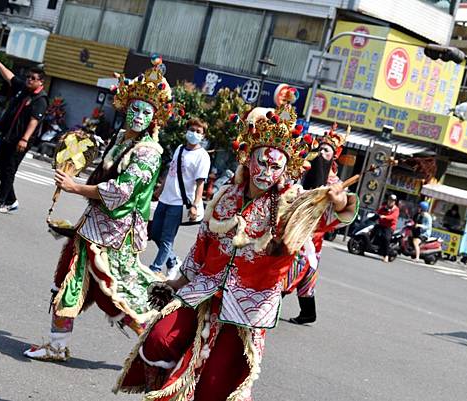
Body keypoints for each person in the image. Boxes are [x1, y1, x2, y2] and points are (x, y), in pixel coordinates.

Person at [113, 103, 358, 400]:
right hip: (205, 289)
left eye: (275, 166)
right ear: (247, 158)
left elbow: (330, 216)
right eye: (262, 163)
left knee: (214, 383)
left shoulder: (290, 202)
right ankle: (158, 391)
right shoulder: (227, 195)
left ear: (285, 170)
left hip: (248, 305)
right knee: (159, 340)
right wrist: (176, 283)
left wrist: (342, 202)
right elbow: (201, 244)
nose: (266, 172)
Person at [23, 58, 174, 362]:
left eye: (146, 111)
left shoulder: (148, 152)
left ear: (154, 118)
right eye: (134, 107)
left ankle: (162, 347)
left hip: (115, 234)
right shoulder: (121, 139)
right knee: (67, 280)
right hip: (92, 226)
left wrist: (75, 187)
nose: (138, 115)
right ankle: (57, 344)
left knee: (115, 296)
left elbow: (121, 193)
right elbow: (105, 177)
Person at [284, 123, 352, 325]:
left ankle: (272, 301)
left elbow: (342, 208)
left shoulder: (335, 183)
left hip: (312, 235)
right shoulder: (305, 170)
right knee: (303, 276)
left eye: (327, 150)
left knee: (294, 270)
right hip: (293, 225)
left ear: (334, 156)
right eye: (320, 148)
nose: (321, 152)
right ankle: (307, 312)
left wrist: (338, 199)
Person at [0, 52, 48, 213]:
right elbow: (10, 76)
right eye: (28, 77)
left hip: (20, 140)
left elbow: (34, 120)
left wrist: (25, 139)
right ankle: (11, 200)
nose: (29, 80)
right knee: (0, 167)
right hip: (7, 135)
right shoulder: (23, 89)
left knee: (9, 169)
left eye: (33, 78)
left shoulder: (40, 99)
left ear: (41, 82)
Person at [149, 118, 210, 278]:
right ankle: (173, 261)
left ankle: (155, 269)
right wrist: (159, 190)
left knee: (167, 238)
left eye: (198, 131)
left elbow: (200, 183)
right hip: (165, 199)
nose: (194, 133)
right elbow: (171, 173)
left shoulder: (202, 156)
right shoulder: (179, 148)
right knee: (154, 232)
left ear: (203, 136)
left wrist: (196, 204)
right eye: (192, 130)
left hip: (179, 203)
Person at [376, 194, 400, 263]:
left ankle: (386, 255)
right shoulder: (384, 207)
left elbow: (393, 217)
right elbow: (378, 212)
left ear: (394, 202)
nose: (390, 202)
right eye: (389, 200)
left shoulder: (396, 209)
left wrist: (385, 217)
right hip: (381, 225)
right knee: (372, 231)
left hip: (389, 227)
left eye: (392, 201)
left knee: (386, 238)